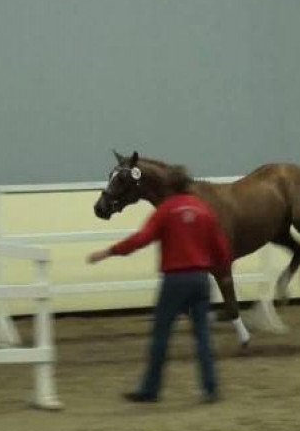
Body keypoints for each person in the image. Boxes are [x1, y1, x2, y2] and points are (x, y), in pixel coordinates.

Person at [86, 168, 231, 404]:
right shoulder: (205, 211)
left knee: (161, 336)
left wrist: (109, 252)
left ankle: (150, 389)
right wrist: (224, 274)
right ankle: (210, 388)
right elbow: (221, 247)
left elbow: (140, 239)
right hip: (200, 281)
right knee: (203, 336)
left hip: (175, 281)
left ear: (170, 187)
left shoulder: (167, 210)